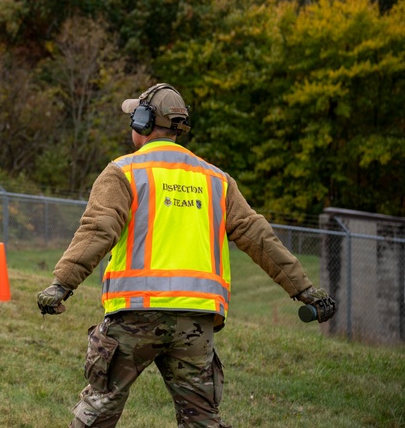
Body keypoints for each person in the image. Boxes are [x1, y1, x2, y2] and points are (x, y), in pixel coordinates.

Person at [36, 83, 336, 428]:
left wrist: (61, 285)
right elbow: (259, 238)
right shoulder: (216, 180)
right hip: (196, 321)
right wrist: (305, 290)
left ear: (144, 122)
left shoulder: (123, 172)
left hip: (136, 314)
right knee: (202, 420)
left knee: (99, 409)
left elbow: (98, 230)